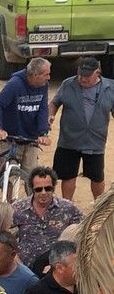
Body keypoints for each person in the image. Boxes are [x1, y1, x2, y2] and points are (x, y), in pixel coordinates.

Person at [50, 57, 114, 202]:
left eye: (86, 76)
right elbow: (54, 102)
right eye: (80, 75)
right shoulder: (68, 84)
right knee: (68, 175)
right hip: (69, 139)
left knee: (97, 176)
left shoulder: (110, 88)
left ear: (97, 73)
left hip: (95, 140)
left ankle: (98, 208)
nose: (82, 79)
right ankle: (67, 205)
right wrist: (51, 115)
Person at [0, 56, 52, 175]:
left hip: (30, 138)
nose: (49, 78)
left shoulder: (43, 86)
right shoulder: (15, 84)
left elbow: (42, 109)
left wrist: (43, 133)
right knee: (8, 176)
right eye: (46, 74)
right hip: (10, 137)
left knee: (32, 176)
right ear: (35, 75)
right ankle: (5, 193)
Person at [13, 166, 83, 274]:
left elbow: (84, 231)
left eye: (48, 188)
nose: (44, 192)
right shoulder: (18, 208)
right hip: (25, 270)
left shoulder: (68, 208)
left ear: (54, 188)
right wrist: (14, 258)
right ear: (32, 189)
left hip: (57, 271)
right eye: (38, 189)